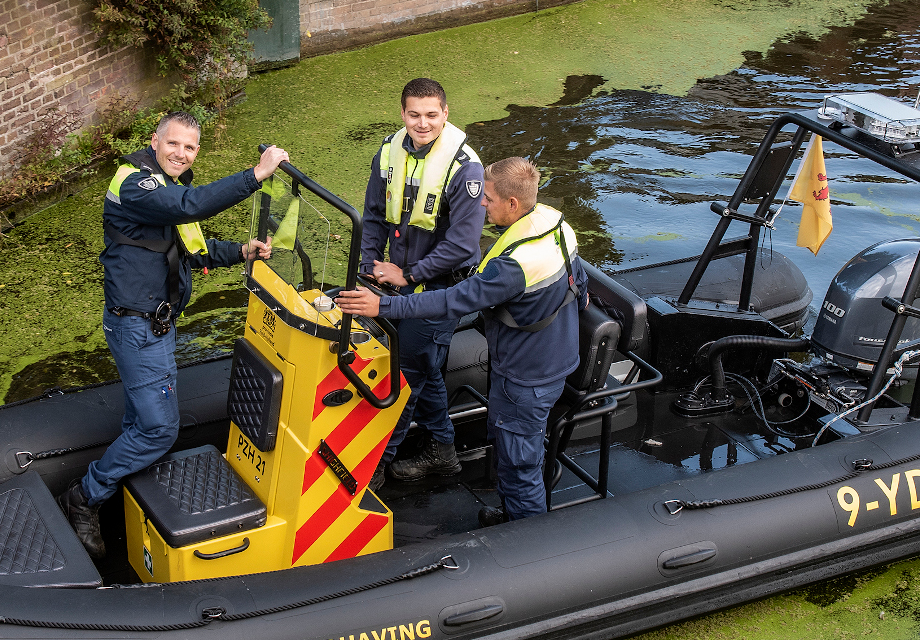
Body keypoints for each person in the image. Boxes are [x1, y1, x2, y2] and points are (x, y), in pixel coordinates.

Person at [57, 112, 289, 555]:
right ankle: (84, 497)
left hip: (155, 325)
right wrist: (256, 175)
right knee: (159, 431)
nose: (181, 154)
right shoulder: (135, 184)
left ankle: (113, 489)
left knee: (139, 423)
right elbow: (189, 207)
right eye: (173, 144)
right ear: (154, 141)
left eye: (190, 147)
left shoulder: (168, 185)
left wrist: (241, 251)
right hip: (138, 327)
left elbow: (192, 249)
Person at [337, 157, 585, 526]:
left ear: (513, 203)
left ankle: (527, 536)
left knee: (519, 464)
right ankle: (514, 513)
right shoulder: (555, 223)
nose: (481, 203)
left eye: (489, 198)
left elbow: (452, 301)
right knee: (515, 451)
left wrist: (382, 305)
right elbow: (579, 285)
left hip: (524, 378)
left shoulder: (513, 266)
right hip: (554, 359)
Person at [359, 77, 486, 486]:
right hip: (398, 282)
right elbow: (373, 215)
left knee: (405, 375)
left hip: (441, 288)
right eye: (414, 114)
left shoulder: (465, 169)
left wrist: (410, 274)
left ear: (445, 114)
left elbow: (462, 244)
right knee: (426, 369)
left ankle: (374, 468)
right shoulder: (389, 152)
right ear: (402, 114)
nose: (422, 123)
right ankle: (443, 450)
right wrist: (367, 264)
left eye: (431, 115)